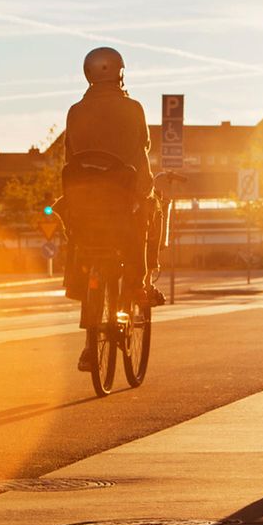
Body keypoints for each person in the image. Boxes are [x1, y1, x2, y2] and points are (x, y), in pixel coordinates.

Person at [62, 46, 160, 372]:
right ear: (120, 72)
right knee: (148, 217)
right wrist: (146, 192)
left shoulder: (75, 111)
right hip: (120, 202)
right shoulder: (133, 108)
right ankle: (139, 285)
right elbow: (140, 152)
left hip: (84, 203)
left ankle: (90, 343)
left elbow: (70, 155)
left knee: (84, 247)